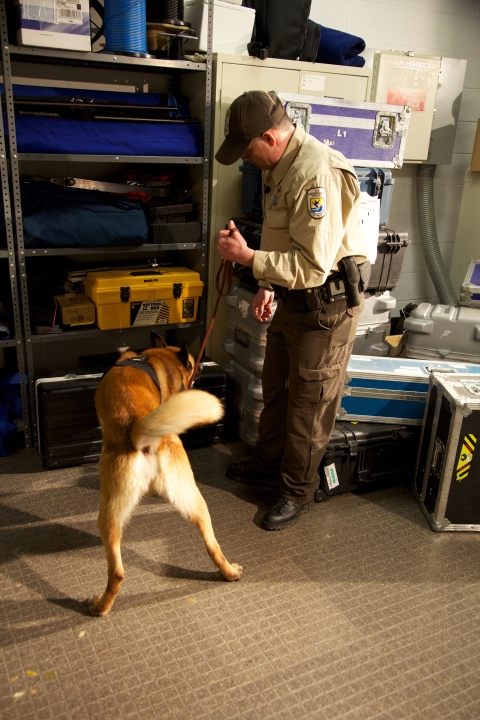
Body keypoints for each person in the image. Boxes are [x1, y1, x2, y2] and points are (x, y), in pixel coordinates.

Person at [216, 90, 370, 531]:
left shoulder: (316, 174)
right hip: (291, 298)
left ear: (270, 136)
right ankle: (268, 464)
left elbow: (313, 266)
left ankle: (297, 489)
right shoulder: (278, 167)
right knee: (276, 388)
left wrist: (248, 259)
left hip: (325, 310)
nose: (245, 158)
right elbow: (283, 236)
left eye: (247, 149)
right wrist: (267, 285)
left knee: (309, 404)